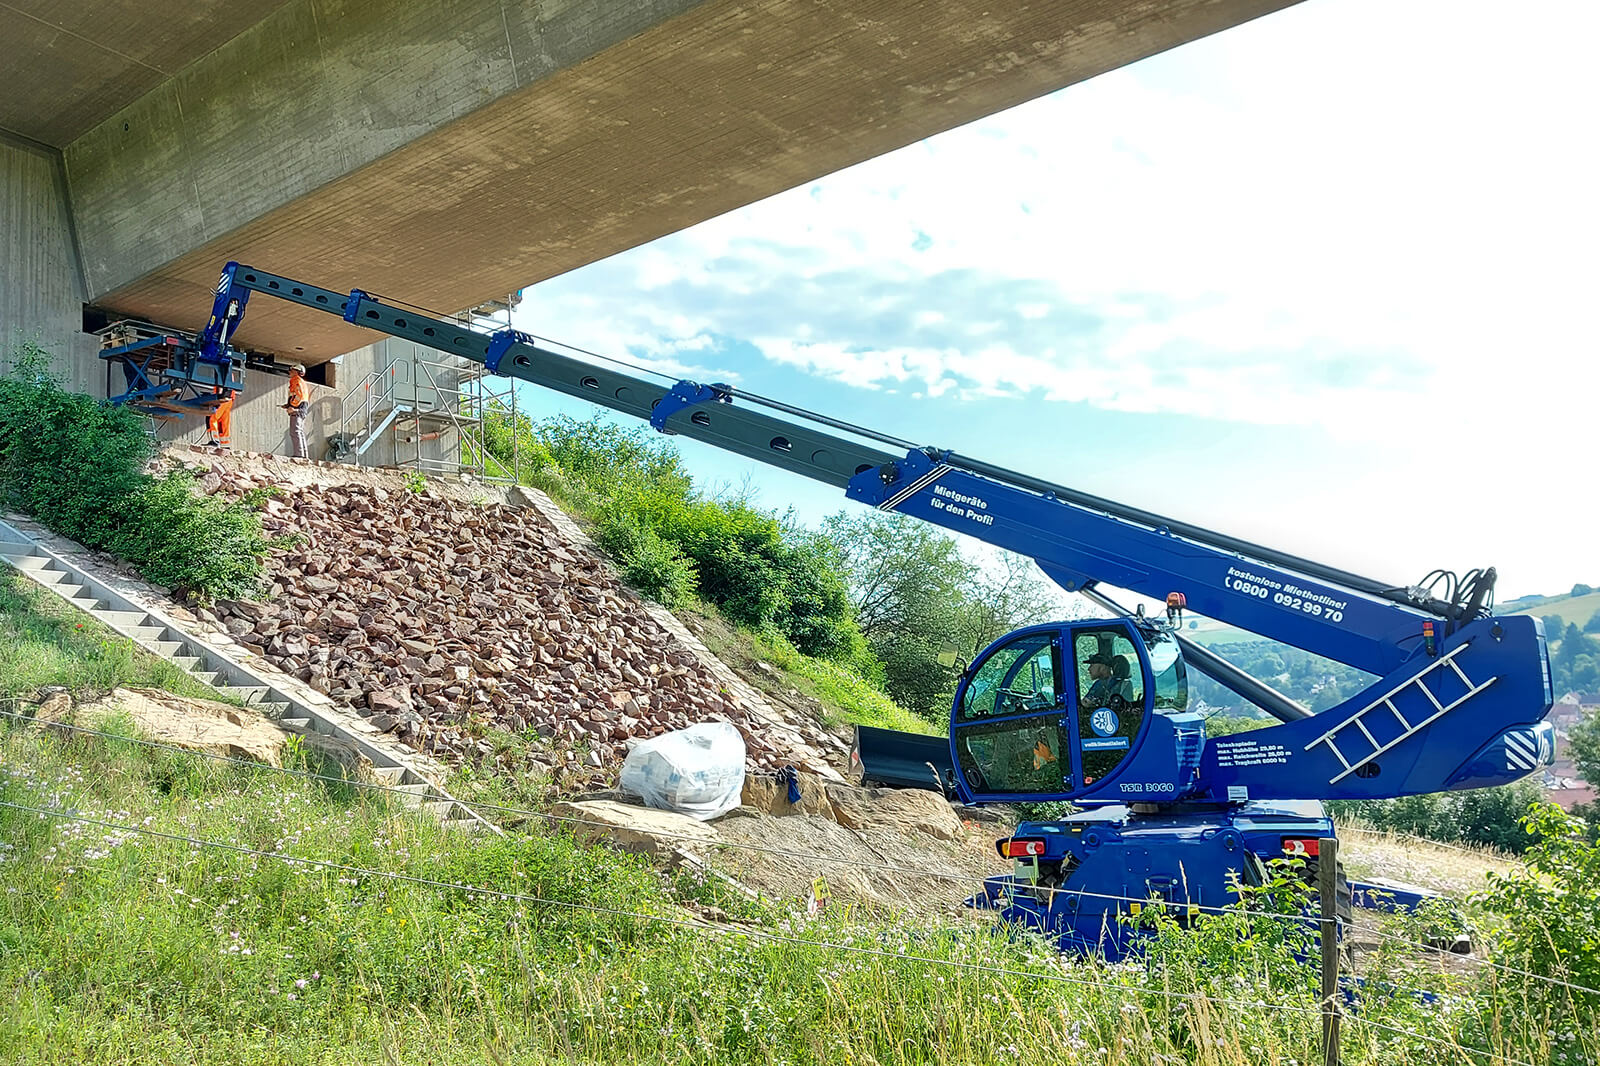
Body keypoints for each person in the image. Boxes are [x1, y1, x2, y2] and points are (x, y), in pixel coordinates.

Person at [282, 363, 310, 458]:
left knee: (295, 431)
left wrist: (292, 407)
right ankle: (303, 455)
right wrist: (288, 404)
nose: (290, 371)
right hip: (301, 405)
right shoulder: (300, 381)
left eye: (292, 369)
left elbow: (298, 395)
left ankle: (299, 455)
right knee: (299, 431)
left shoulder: (296, 380)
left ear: (297, 371)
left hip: (298, 406)